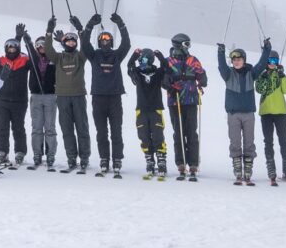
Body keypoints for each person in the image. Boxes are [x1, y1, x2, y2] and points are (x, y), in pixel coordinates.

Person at [84, 12, 132, 176]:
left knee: (116, 131)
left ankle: (117, 159)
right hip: (98, 98)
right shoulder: (94, 55)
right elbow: (85, 45)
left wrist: (121, 24)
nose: (105, 42)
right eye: (102, 40)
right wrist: (90, 25)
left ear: (111, 42)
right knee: (101, 132)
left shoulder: (117, 55)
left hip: (114, 98)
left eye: (108, 40)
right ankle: (104, 158)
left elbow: (126, 44)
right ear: (99, 42)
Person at [218, 39, 271, 185]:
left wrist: (267, 49)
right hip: (233, 114)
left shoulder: (251, 73)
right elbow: (222, 66)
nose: (236, 62)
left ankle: (248, 169)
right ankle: (237, 169)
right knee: (235, 142)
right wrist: (221, 52)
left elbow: (262, 64)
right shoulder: (228, 74)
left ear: (244, 60)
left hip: (248, 114)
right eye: (234, 60)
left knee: (249, 142)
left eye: (239, 59)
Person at [48, 16, 91, 173]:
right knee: (67, 129)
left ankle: (84, 157)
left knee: (82, 128)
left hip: (78, 96)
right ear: (64, 43)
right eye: (68, 41)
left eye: (74, 41)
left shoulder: (80, 57)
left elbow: (87, 46)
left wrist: (81, 30)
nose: (71, 43)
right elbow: (48, 50)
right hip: (62, 97)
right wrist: (49, 31)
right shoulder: (58, 58)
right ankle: (71, 157)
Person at [0, 26, 33, 169]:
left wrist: (28, 42)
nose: (12, 50)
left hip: (19, 101)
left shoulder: (25, 61)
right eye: (9, 48)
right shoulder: (1, 62)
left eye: (14, 48)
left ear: (18, 49)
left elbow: (36, 60)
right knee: (2, 127)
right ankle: (2, 152)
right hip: (2, 101)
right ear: (6, 49)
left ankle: (20, 151)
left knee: (18, 127)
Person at [166, 34, 208, 181]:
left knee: (191, 132)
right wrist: (171, 87)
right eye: (186, 44)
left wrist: (202, 81)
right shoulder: (169, 61)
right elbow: (164, 79)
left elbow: (201, 74)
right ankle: (181, 162)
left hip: (191, 100)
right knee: (179, 132)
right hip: (175, 101)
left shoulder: (193, 60)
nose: (188, 47)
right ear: (178, 45)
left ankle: (193, 163)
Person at [127, 47, 172, 179]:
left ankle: (161, 161)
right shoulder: (137, 73)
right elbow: (129, 67)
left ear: (151, 60)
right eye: (140, 60)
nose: (142, 62)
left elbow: (167, 69)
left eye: (144, 60)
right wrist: (135, 55)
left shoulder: (157, 73)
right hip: (141, 110)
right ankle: (149, 160)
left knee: (158, 136)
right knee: (144, 136)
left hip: (156, 109)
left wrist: (161, 57)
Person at [254, 51, 286, 184]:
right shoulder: (262, 74)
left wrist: (282, 75)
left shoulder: (280, 74)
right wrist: (265, 76)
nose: (273, 63)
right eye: (270, 61)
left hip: (280, 112)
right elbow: (259, 89)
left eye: (275, 61)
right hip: (266, 112)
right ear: (266, 62)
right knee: (268, 141)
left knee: (283, 140)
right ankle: (271, 168)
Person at [27, 33, 58, 170]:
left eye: (44, 45)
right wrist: (27, 40)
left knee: (50, 127)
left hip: (50, 96)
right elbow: (28, 50)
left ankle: (50, 154)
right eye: (39, 45)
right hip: (36, 96)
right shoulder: (33, 60)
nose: (42, 47)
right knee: (37, 127)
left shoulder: (54, 59)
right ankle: (37, 154)